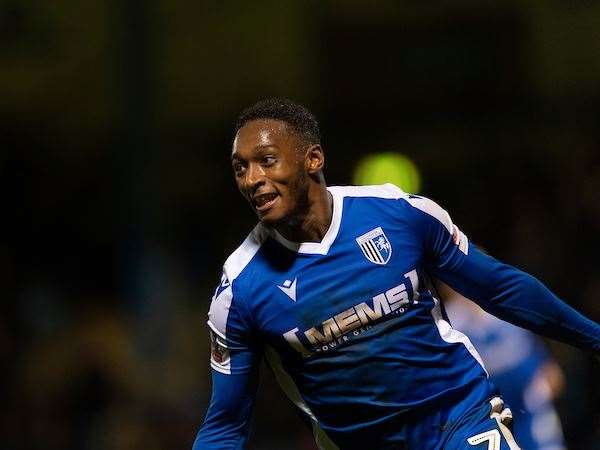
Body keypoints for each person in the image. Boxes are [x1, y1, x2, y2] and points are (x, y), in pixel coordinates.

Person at [193, 98, 600, 450]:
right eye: (240, 168)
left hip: (460, 421)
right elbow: (227, 420)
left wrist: (593, 338)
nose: (252, 179)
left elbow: (500, 287)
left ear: (313, 159)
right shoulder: (240, 289)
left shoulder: (399, 214)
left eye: (266, 161)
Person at [443, 282, 567, 450]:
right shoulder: (448, 323)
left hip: (530, 408)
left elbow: (552, 374)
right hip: (486, 415)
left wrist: (540, 393)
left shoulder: (509, 306)